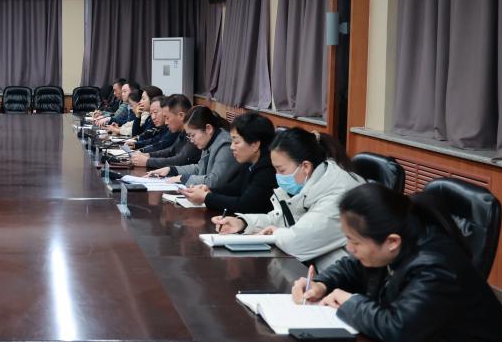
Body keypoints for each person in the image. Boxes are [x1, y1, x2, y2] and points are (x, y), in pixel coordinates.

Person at [293, 183, 502, 342]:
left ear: (392, 242)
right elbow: (353, 266)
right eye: (348, 239)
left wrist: (352, 303)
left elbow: (398, 329)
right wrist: (322, 283)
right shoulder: (396, 239)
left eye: (355, 242)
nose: (349, 248)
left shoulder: (436, 266)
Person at [212, 127, 364, 269]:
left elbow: (298, 242)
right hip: (312, 268)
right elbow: (280, 219)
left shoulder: (339, 194)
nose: (277, 176)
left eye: (281, 170)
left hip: (343, 277)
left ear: (305, 166)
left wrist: (276, 233)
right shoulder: (308, 183)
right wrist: (244, 223)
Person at [182, 113, 277, 213]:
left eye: (236, 142)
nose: (231, 147)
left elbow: (245, 205)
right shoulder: (249, 163)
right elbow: (233, 189)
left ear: (255, 145)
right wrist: (207, 190)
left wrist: (206, 197)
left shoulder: (268, 170)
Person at [146, 106, 239, 190]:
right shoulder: (209, 141)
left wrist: (183, 178)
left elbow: (214, 182)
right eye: (189, 136)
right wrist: (171, 170)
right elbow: (200, 168)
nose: (191, 140)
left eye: (192, 135)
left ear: (208, 129)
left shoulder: (225, 146)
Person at [131, 94, 200, 169]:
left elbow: (180, 160)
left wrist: (147, 161)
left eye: (167, 118)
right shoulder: (182, 131)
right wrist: (148, 155)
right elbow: (171, 151)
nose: (166, 122)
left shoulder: (194, 132)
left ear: (181, 116)